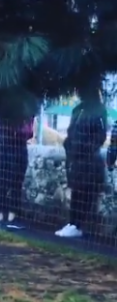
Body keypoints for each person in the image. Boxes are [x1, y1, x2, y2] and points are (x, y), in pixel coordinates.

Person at [55, 98, 107, 239]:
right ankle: (73, 224)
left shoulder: (99, 110)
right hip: (76, 160)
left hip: (90, 161)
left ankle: (80, 226)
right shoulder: (77, 110)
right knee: (76, 193)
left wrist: (85, 149)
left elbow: (100, 136)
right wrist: (70, 148)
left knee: (87, 195)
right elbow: (71, 133)